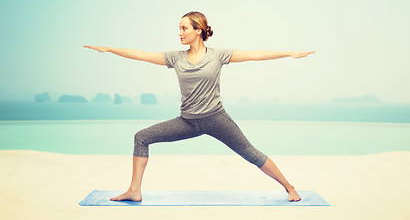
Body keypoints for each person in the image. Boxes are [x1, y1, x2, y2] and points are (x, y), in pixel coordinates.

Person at [84, 11, 314, 202]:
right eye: (180, 28)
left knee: (251, 154)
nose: (180, 33)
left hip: (216, 119)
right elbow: (142, 55)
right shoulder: (175, 58)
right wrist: (109, 49)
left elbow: (255, 55)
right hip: (187, 122)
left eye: (184, 28)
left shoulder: (218, 55)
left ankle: (290, 187)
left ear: (199, 30)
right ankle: (134, 190)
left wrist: (289, 53)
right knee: (141, 137)